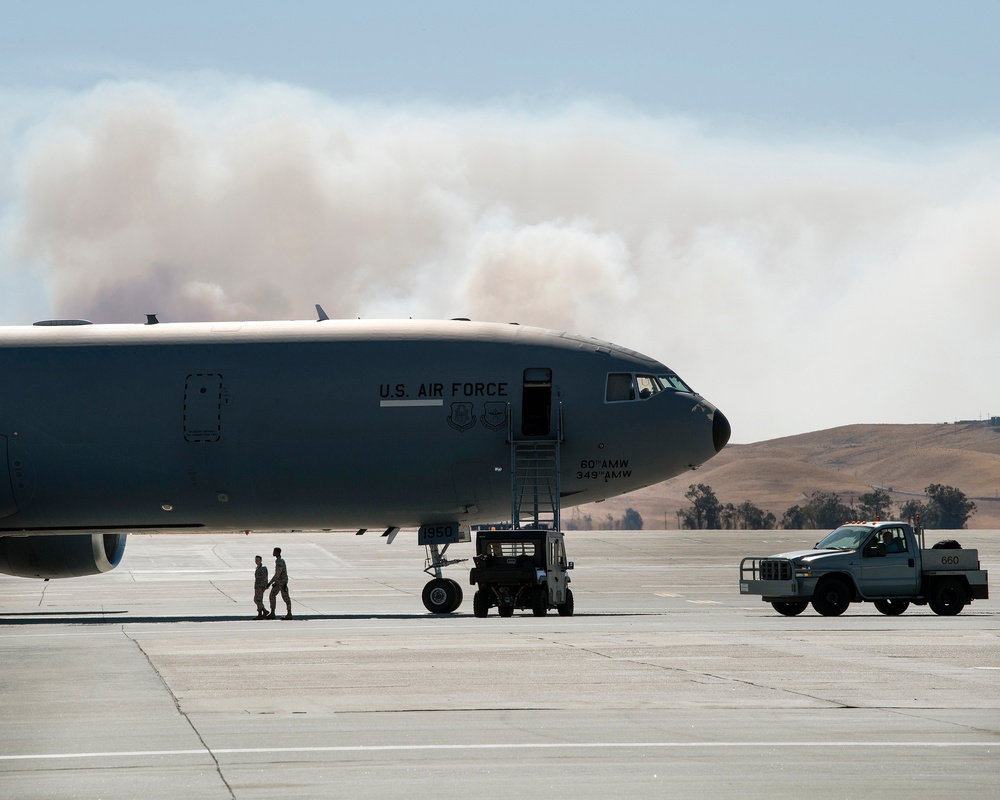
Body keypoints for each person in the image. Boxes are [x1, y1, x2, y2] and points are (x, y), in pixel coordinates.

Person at [266, 546, 292, 619]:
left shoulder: (280, 561)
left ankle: (289, 613)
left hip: (282, 582)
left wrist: (270, 583)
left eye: (274, 551)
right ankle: (272, 613)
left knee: (286, 597)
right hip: (278, 582)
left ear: (277, 552)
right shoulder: (278, 560)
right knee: (272, 595)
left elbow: (278, 574)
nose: (273, 553)